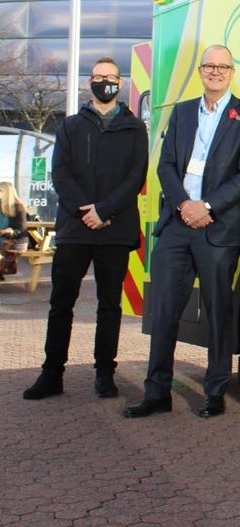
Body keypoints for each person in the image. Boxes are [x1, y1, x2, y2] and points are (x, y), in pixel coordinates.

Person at [123, 44, 240, 420]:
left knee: (218, 311)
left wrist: (208, 206)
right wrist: (185, 204)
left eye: (223, 66)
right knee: (165, 311)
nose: (215, 72)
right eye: (209, 66)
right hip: (176, 225)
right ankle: (157, 393)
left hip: (219, 228)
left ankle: (215, 392)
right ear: (201, 71)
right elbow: (166, 165)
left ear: (232, 72)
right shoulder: (183, 113)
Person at [23, 57, 149, 400]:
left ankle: (104, 373)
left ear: (119, 83)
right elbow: (60, 174)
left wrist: (104, 211)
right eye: (97, 77)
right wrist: (86, 212)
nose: (103, 82)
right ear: (89, 82)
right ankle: (52, 374)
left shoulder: (135, 128)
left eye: (109, 77)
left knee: (110, 305)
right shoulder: (70, 126)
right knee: (61, 303)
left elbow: (136, 176)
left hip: (115, 229)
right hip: (76, 229)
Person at [0, 182, 28, 280]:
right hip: (5, 240)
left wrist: (11, 232)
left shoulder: (19, 207)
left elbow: (22, 230)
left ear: (6, 193)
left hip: (16, 242)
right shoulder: (3, 206)